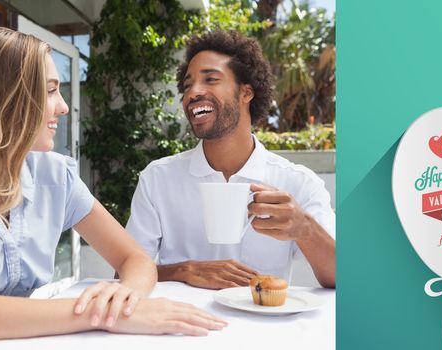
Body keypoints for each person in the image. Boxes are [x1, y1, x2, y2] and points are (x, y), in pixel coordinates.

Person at [0, 27, 225, 347]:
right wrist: (98, 314)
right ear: (5, 96)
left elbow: (135, 259)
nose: (64, 107)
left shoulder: (56, 175)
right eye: (51, 90)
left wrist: (124, 297)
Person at [126, 31, 335, 290]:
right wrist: (185, 270)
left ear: (246, 93)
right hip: (180, 328)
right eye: (187, 85)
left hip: (264, 327)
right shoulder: (157, 179)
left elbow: (342, 277)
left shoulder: (297, 182)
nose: (193, 93)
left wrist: (305, 228)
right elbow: (125, 271)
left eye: (211, 79)